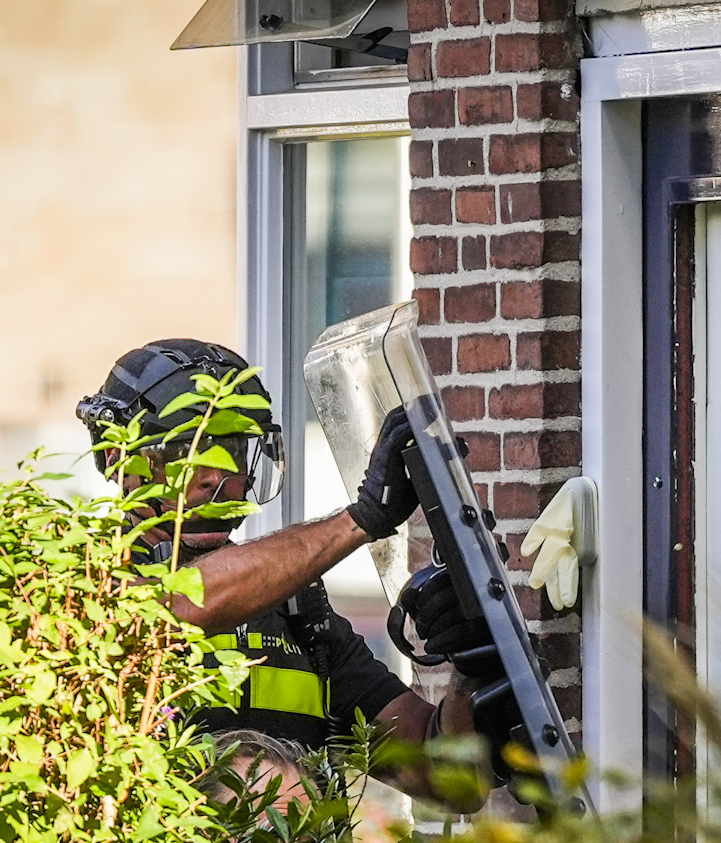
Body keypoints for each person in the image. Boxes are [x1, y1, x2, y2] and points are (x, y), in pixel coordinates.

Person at [76, 338, 491, 813]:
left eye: (232, 449)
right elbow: (180, 606)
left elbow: (452, 781)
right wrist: (360, 520)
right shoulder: (86, 588)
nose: (217, 476)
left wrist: (468, 669)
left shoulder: (297, 615)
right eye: (185, 452)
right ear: (117, 462)